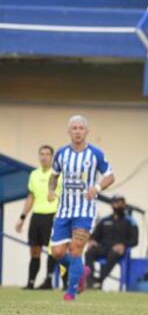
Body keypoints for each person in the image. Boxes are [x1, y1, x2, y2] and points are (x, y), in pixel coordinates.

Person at [48, 115, 115, 301]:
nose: (77, 132)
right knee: (57, 253)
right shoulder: (61, 153)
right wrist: (50, 190)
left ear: (87, 131)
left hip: (84, 211)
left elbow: (110, 176)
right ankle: (81, 272)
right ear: (69, 131)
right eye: (74, 128)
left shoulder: (95, 154)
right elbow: (53, 176)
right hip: (64, 210)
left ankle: (71, 292)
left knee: (76, 249)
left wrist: (98, 188)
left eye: (81, 128)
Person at [15, 145, 60, 290]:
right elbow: (31, 197)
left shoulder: (58, 174)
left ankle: (48, 281)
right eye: (42, 154)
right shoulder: (34, 174)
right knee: (34, 250)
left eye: (47, 154)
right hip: (37, 215)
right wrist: (22, 217)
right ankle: (31, 282)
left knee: (53, 250)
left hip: (53, 215)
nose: (44, 157)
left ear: (52, 157)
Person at [84, 195, 138, 288]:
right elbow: (95, 235)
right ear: (112, 205)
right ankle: (90, 281)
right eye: (116, 203)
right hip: (103, 247)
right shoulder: (105, 220)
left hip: (117, 250)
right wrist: (92, 240)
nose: (118, 206)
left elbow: (134, 240)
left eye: (120, 203)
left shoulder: (130, 221)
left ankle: (99, 281)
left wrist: (123, 245)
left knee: (113, 254)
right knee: (89, 253)